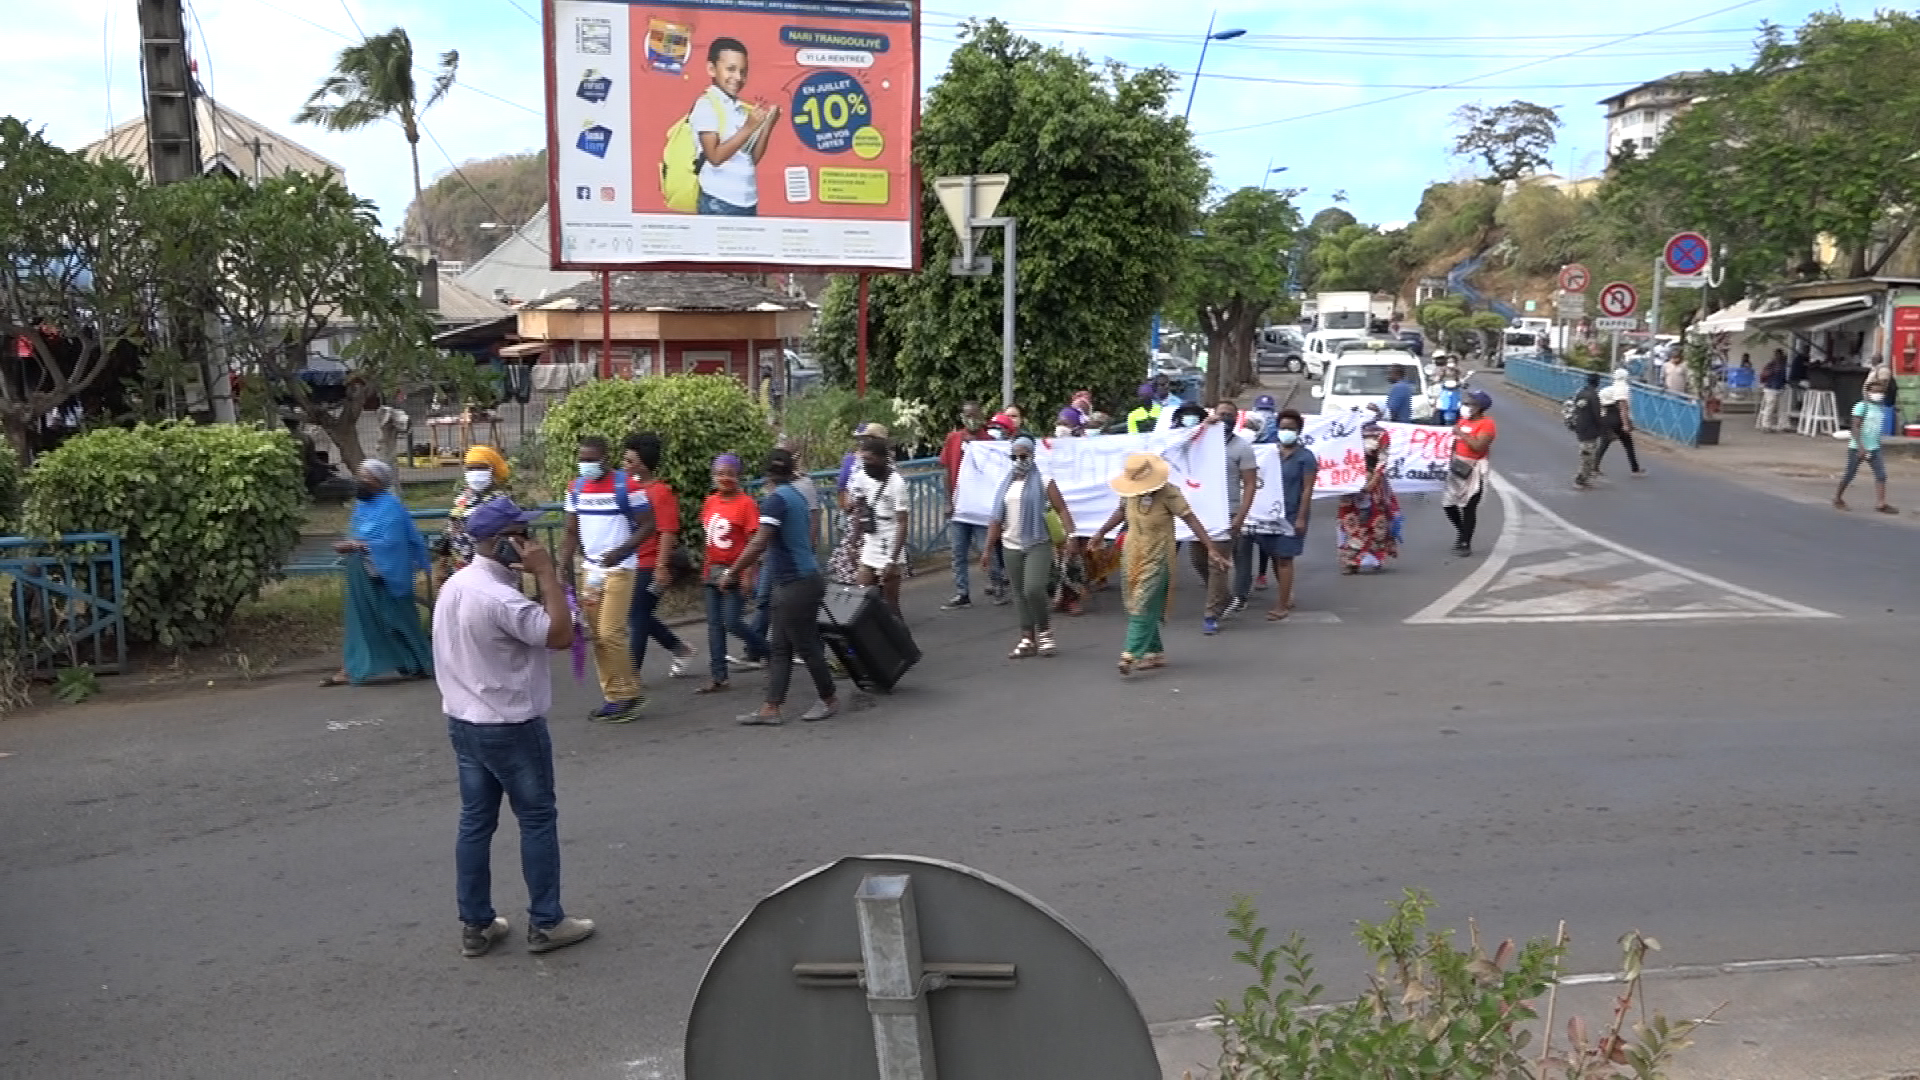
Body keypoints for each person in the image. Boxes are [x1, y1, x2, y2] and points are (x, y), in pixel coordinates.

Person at [433, 497, 594, 958]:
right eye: (524, 535)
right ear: (506, 543)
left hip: (464, 721)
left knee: (475, 821)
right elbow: (559, 635)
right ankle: (547, 921)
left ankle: (476, 923)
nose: (532, 541)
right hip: (511, 725)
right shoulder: (500, 599)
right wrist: (547, 575)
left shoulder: (457, 585)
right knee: (537, 818)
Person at [725, 449, 839, 725]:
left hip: (795, 583)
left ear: (766, 474)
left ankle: (828, 698)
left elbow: (758, 542)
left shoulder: (776, 500)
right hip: (800, 579)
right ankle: (771, 707)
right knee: (780, 647)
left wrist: (733, 572)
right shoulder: (796, 495)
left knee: (804, 644)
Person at [1090, 452, 1228, 675]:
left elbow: (1190, 519)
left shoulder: (1169, 493)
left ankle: (1130, 653)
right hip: (1133, 553)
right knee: (1134, 601)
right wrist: (1101, 532)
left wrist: (1211, 548)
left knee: (1143, 602)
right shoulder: (1130, 493)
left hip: (1158, 555)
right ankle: (1154, 652)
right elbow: (1121, 512)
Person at [561, 436, 654, 723]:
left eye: (592, 460)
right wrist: (562, 565)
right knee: (598, 636)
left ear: (606, 458)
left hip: (621, 569)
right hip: (592, 573)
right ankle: (614, 696)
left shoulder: (627, 487)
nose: (586, 465)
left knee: (611, 633)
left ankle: (628, 694)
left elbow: (649, 525)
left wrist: (621, 551)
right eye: (582, 459)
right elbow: (570, 532)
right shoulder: (576, 488)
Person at [323, 459, 433, 687]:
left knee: (399, 619)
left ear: (379, 482)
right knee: (362, 620)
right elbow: (359, 534)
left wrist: (356, 545)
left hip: (388, 573)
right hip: (362, 571)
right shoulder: (362, 507)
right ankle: (353, 667)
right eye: (359, 476)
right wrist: (353, 545)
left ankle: (418, 663)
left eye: (367, 477)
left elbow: (393, 542)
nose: (360, 482)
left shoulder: (391, 507)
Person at [983, 436, 1076, 658]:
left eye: (1023, 456)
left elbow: (1062, 509)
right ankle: (1027, 638)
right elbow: (996, 518)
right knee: (1018, 593)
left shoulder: (1044, 481)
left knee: (1033, 589)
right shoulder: (1005, 484)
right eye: (1014, 456)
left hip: (1038, 542)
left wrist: (1071, 535)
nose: (1018, 460)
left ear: (1032, 456)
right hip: (1010, 544)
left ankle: (1044, 632)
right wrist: (987, 549)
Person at [620, 433, 697, 681]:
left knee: (638, 615)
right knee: (637, 614)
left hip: (651, 563)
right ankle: (679, 648)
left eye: (629, 461)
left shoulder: (660, 492)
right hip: (630, 561)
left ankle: (631, 674)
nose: (624, 465)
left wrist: (661, 567)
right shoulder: (627, 488)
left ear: (643, 464)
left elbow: (667, 531)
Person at [694, 453, 769, 694]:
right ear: (713, 476)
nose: (724, 478)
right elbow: (708, 539)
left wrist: (747, 575)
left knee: (732, 622)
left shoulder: (746, 504)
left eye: (730, 474)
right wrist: (705, 568)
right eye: (719, 473)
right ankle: (719, 677)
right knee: (714, 626)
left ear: (739, 476)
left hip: (735, 569)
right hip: (712, 570)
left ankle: (770, 652)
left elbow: (753, 542)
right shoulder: (710, 501)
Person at [1191, 398, 1258, 630]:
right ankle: (1225, 598)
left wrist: (1240, 516)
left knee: (1217, 563)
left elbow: (1250, 484)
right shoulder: (1199, 441)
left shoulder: (1242, 448)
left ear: (1236, 419)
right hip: (1201, 512)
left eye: (1230, 415)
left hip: (1227, 512)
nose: (1225, 419)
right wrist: (1203, 427)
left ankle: (1211, 614)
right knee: (1198, 559)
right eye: (1222, 414)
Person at [692, 37, 778, 217]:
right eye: (731, 69)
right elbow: (714, 157)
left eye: (743, 71)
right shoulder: (706, 104)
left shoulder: (739, 108)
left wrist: (767, 124)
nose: (738, 77)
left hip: (748, 200)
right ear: (711, 69)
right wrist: (748, 127)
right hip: (718, 201)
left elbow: (751, 158)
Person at [1248, 410, 1316, 620]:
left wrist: (1301, 518)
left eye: (1291, 429)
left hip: (1292, 514)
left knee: (1285, 558)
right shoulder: (1268, 454)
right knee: (1275, 556)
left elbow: (1307, 489)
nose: (1286, 432)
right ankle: (1286, 595)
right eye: (1283, 428)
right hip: (1269, 514)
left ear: (1299, 431)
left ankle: (1281, 605)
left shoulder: (1305, 457)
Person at [940, 402, 1006, 609]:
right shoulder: (953, 439)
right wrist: (948, 501)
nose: (971, 419)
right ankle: (962, 593)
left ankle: (997, 585)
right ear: (962, 417)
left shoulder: (990, 442)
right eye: (967, 415)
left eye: (975, 415)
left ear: (982, 417)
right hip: (959, 506)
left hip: (981, 507)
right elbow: (946, 471)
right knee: (958, 552)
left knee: (987, 549)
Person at [847, 434, 910, 617]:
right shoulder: (861, 477)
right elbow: (859, 511)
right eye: (863, 460)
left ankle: (898, 634)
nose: (866, 464)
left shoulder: (896, 483)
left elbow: (902, 522)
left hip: (890, 542)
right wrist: (853, 543)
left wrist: (892, 560)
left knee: (890, 604)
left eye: (870, 459)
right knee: (862, 596)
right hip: (871, 540)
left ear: (882, 459)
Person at [436, 445, 514, 579]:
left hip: (493, 568)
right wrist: (442, 565)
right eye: (470, 468)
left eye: (481, 468)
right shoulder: (464, 498)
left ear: (492, 470)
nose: (475, 472)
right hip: (462, 569)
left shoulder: (502, 500)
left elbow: (514, 535)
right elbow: (450, 531)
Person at [1335, 420, 1399, 574]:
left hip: (1372, 484)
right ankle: (1350, 560)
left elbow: (1382, 461)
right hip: (1349, 484)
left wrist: (1373, 482)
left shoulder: (1380, 434)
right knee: (1349, 522)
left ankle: (1370, 557)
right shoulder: (1341, 432)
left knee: (1373, 522)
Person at [827, 422, 885, 587]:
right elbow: (843, 487)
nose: (862, 442)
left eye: (867, 438)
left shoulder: (881, 465)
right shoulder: (854, 460)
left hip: (871, 521)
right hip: (864, 519)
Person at [1835, 369, 1898, 514]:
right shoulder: (1861, 406)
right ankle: (1838, 498)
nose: (1878, 394)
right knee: (1850, 474)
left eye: (1881, 392)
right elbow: (1855, 427)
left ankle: (1881, 503)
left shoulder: (1879, 408)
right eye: (1875, 391)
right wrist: (1860, 447)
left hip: (1874, 447)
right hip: (1858, 447)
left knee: (1881, 475)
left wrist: (1876, 444)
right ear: (1868, 392)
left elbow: (1876, 428)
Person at [1444, 390, 1496, 555]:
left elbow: (1479, 446)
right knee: (1448, 504)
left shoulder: (1487, 424)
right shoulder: (1463, 421)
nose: (1465, 406)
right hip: (1458, 466)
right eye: (1465, 403)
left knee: (1468, 507)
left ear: (1479, 407)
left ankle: (1465, 543)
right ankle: (1462, 531)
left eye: (1469, 403)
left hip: (1473, 468)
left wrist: (1461, 433)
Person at [1595, 367, 1646, 477]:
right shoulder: (1623, 388)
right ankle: (1635, 469)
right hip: (1616, 416)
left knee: (1605, 443)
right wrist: (1626, 424)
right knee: (1627, 444)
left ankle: (1594, 466)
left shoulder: (1607, 389)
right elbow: (1623, 407)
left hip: (1607, 416)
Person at [1571, 371, 1607, 489]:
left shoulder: (1581, 393)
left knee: (1586, 453)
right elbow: (1597, 415)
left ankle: (1584, 478)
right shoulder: (1593, 396)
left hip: (1580, 426)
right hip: (1590, 429)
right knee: (1588, 455)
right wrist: (1602, 428)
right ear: (1597, 382)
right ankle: (1580, 479)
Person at [1758, 349, 1790, 432]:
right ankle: (1766, 425)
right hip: (1771, 387)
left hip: (1778, 387)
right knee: (1771, 406)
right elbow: (1764, 375)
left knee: (1780, 407)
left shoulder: (1782, 365)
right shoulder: (1772, 365)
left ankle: (1782, 424)